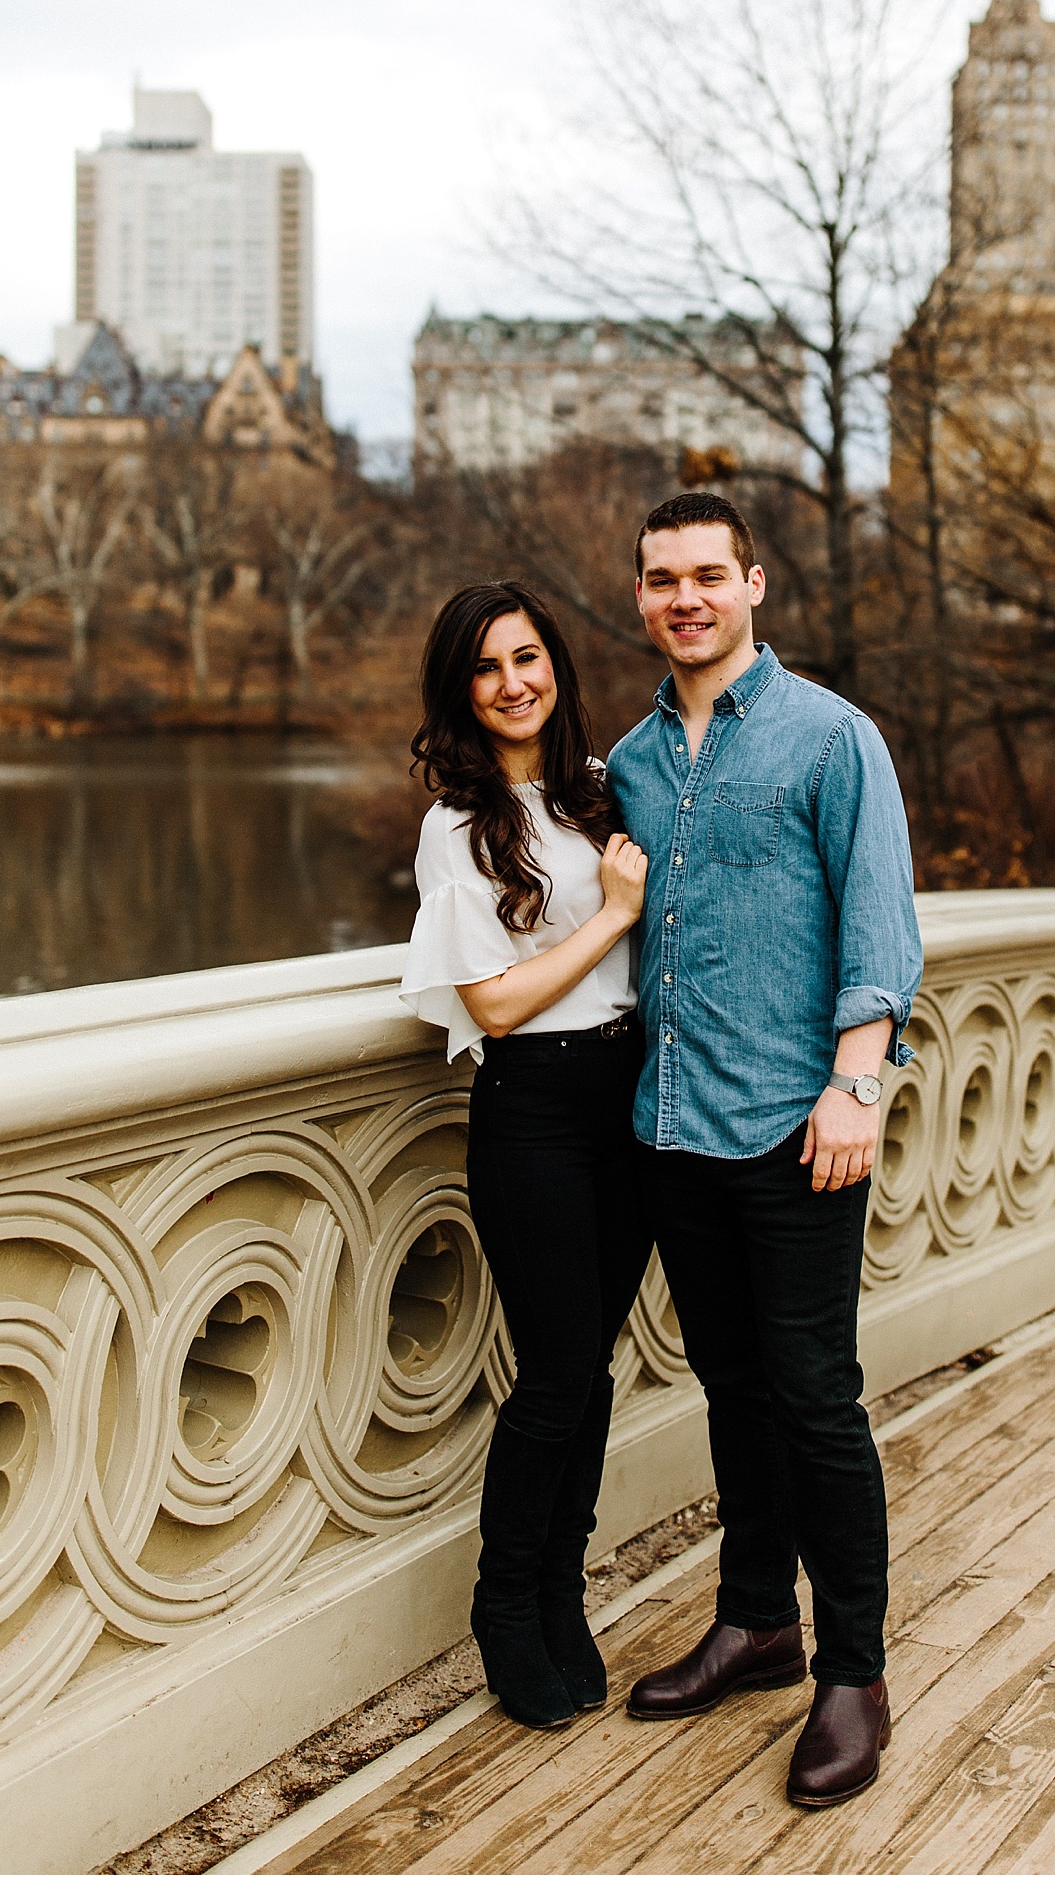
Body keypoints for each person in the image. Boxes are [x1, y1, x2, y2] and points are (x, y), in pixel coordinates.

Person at [606, 492, 922, 1809]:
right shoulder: (625, 762)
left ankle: (853, 1671)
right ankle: (756, 1623)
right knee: (732, 1391)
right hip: (673, 1129)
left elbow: (881, 924)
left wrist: (861, 1082)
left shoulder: (829, 738)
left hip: (802, 1133)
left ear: (755, 586)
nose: (686, 598)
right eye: (662, 579)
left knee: (815, 1400)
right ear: (641, 598)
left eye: (708, 576)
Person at [399, 581, 652, 1733]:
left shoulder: (600, 796)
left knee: (589, 1369)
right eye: (489, 666)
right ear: (462, 692)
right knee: (554, 1375)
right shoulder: (458, 825)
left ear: (557, 665)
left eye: (530, 656)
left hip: (629, 1102)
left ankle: (563, 1583)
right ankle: (508, 1605)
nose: (515, 681)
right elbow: (493, 1005)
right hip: (534, 1110)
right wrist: (608, 917)